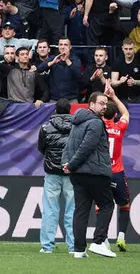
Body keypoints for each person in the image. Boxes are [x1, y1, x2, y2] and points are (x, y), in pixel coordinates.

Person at [63, 90, 116, 258]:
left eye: (106, 103)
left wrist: (67, 164)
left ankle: (79, 250)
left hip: (78, 174)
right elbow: (86, 147)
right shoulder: (96, 123)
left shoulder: (77, 121)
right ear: (91, 104)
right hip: (95, 172)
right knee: (107, 205)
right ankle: (99, 242)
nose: (105, 106)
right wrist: (71, 164)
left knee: (81, 211)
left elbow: (68, 145)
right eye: (101, 103)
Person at [36, 99, 76, 253]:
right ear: (70, 110)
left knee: (50, 210)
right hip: (71, 172)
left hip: (52, 172)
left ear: (55, 110)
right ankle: (73, 246)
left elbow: (41, 148)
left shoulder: (45, 127)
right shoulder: (77, 127)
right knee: (72, 211)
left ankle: (47, 246)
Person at [102, 85, 132, 251]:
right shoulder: (119, 127)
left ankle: (104, 239)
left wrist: (103, 99)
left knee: (102, 205)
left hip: (102, 172)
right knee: (124, 205)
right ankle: (121, 236)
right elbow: (126, 114)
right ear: (115, 115)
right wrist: (113, 97)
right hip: (117, 172)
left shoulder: (98, 125)